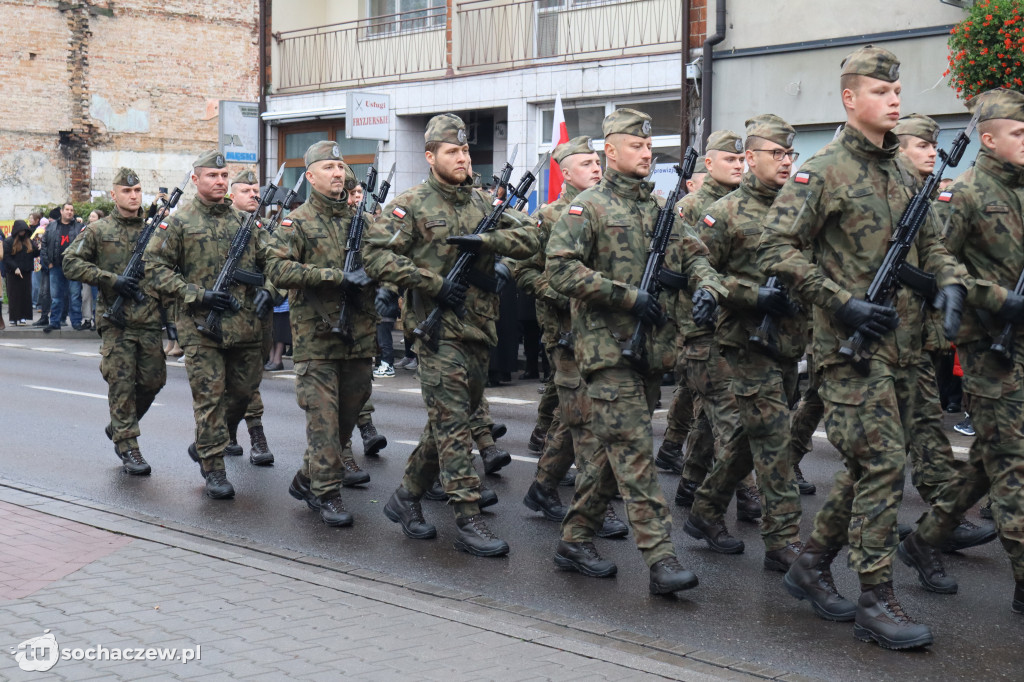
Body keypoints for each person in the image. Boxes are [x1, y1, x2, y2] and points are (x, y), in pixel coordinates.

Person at [758, 45, 966, 649]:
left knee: (865, 467)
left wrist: (949, 284)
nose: (894, 100)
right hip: (847, 346)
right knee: (883, 464)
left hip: (899, 346)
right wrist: (839, 300)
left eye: (897, 92)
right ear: (850, 99)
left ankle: (813, 560)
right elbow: (776, 248)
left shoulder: (904, 172)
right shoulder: (821, 170)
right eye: (881, 92)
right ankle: (877, 596)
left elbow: (932, 249)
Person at [546, 108, 724, 593]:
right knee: (635, 454)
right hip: (607, 356)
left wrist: (708, 288)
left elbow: (696, 256)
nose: (647, 153)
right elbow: (559, 270)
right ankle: (661, 558)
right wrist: (628, 296)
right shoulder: (589, 208)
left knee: (610, 455)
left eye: (649, 147)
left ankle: (575, 538)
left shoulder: (657, 208)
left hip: (650, 353)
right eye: (637, 146)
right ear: (611, 150)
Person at [365, 113, 538, 557]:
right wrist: (433, 282)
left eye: (464, 150)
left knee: (445, 424)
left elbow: (532, 241)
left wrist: (492, 249)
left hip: (480, 329)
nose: (461, 157)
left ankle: (405, 498)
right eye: (451, 151)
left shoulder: (483, 204)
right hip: (437, 332)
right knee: (456, 426)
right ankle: (467, 517)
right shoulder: (412, 205)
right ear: (430, 156)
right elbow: (376, 257)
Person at [904, 88, 1024, 616]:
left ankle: (923, 540)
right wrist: (1000, 299)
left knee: (987, 458)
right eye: (1018, 133)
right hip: (986, 345)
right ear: (989, 139)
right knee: (1013, 463)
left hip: (1020, 341)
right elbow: (938, 269)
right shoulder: (968, 194)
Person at [686, 114, 807, 572]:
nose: (785, 161)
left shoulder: (799, 207)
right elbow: (702, 272)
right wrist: (753, 295)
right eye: (777, 153)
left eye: (789, 154)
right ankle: (783, 541)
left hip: (790, 340)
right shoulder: (726, 212)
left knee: (745, 439)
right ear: (751, 158)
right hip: (745, 343)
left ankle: (704, 509)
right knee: (775, 440)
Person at [513, 135, 627, 537]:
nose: (596, 168)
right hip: (565, 332)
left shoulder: (608, 208)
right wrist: (560, 291)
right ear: (566, 171)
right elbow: (522, 270)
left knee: (570, 415)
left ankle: (543, 488)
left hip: (603, 329)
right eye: (586, 164)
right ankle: (593, 506)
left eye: (597, 162)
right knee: (588, 420)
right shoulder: (548, 215)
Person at [891, 113, 995, 552]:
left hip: (919, 333)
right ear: (899, 149)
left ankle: (939, 521)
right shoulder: (892, 195)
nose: (932, 152)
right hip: (880, 330)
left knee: (926, 425)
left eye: (934, 147)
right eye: (922, 146)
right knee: (880, 450)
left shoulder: (931, 195)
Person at [145, 150, 273, 499]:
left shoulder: (243, 222)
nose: (219, 181)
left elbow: (273, 261)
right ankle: (214, 467)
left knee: (244, 395)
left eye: (223, 176)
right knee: (210, 399)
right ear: (195, 180)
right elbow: (154, 266)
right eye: (212, 176)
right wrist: (195, 294)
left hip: (245, 325)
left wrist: (270, 291)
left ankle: (206, 442)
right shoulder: (180, 222)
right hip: (200, 327)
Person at [265, 141, 379, 526]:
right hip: (317, 338)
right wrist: (335, 276)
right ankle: (326, 493)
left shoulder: (360, 220)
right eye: (328, 166)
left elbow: (387, 260)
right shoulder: (295, 222)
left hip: (359, 336)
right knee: (324, 422)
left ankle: (308, 476)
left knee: (347, 419)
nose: (337, 173)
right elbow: (278, 271)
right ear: (310, 176)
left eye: (341, 166)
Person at [666, 131, 760, 522]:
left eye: (742, 161)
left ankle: (690, 482)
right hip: (702, 329)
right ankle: (744, 495)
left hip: (737, 329)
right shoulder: (690, 207)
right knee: (733, 417)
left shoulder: (745, 203)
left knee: (709, 416)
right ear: (708, 164)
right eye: (730, 161)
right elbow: (676, 271)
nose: (739, 166)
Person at [63, 168, 167, 476]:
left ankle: (120, 425)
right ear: (114, 195)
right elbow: (70, 261)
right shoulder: (99, 230)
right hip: (116, 320)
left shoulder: (155, 231)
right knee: (121, 384)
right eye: (126, 191)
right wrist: (110, 280)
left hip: (148, 318)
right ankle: (128, 445)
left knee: (153, 381)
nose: (133, 196)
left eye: (137, 191)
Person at [223, 169, 276, 467]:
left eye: (256, 190)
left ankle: (230, 430)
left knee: (251, 377)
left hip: (259, 311)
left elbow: (279, 264)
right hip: (230, 310)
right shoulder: (222, 225)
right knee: (238, 378)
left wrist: (269, 290)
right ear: (232, 195)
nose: (254, 195)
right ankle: (256, 435)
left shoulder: (265, 227)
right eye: (246, 190)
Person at [41, 202, 85, 332]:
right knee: (56, 296)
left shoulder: (79, 227)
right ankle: (55, 321)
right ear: (61, 211)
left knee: (75, 295)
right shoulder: (51, 226)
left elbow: (85, 243)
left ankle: (76, 322)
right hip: (55, 266)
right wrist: (48, 262)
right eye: (67, 209)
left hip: (73, 266)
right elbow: (44, 244)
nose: (69, 212)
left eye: (71, 210)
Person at [3, 221, 39, 325]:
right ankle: (13, 318)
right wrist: (15, 268)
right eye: (21, 230)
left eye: (24, 230)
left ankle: (23, 316)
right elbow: (7, 257)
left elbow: (34, 254)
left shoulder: (29, 241)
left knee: (25, 295)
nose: (22, 232)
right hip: (13, 272)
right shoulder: (9, 241)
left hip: (26, 272)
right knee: (14, 295)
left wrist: (38, 248)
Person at [79, 208, 106, 330]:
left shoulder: (104, 231)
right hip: (86, 267)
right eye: (90, 216)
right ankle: (87, 319)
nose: (91, 219)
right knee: (85, 296)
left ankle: (97, 319)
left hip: (99, 268)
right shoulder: (84, 230)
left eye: (93, 217)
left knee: (97, 296)